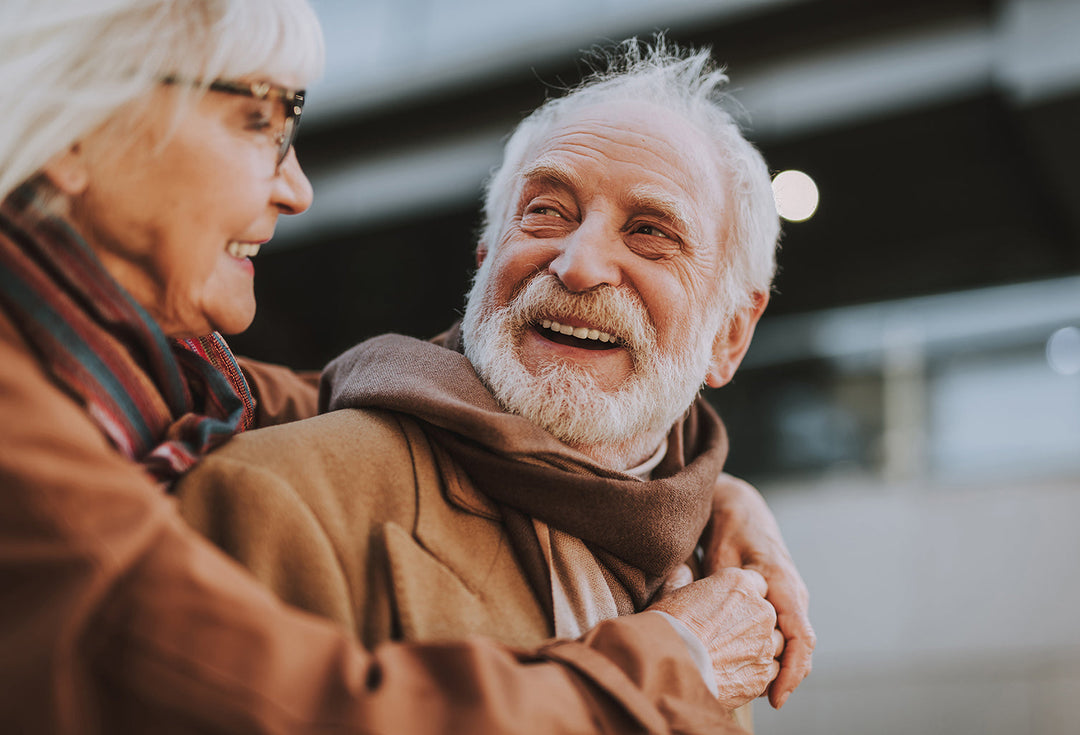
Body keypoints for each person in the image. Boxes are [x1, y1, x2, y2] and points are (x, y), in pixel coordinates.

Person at [0, 2, 812, 733]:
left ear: (730, 337)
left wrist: (705, 494)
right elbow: (325, 710)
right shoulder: (68, 439)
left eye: (651, 233)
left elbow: (335, 391)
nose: (297, 186)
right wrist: (678, 661)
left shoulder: (146, 380)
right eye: (258, 123)